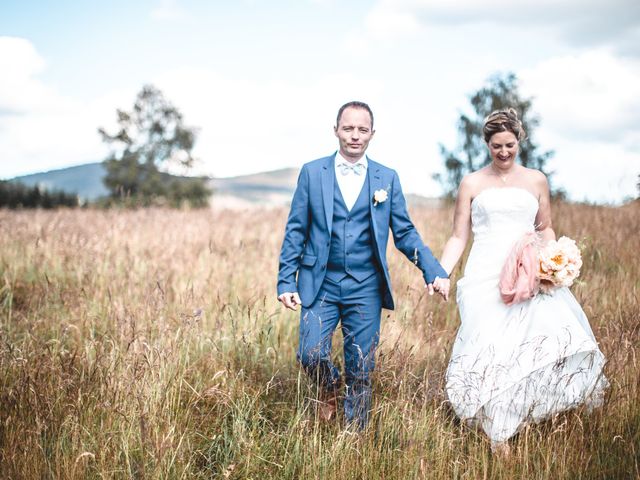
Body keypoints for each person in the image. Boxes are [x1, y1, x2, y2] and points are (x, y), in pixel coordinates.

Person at [433, 108, 608, 453]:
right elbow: (458, 237)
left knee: (531, 346)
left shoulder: (536, 180)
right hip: (486, 276)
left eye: (509, 145)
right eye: (496, 146)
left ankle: (521, 416)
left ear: (519, 140)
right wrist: (442, 274)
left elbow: (546, 228)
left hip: (530, 274)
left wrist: (555, 263)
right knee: (491, 348)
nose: (503, 152)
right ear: (486, 144)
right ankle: (498, 428)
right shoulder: (471, 182)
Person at [277, 101, 447, 429]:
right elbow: (296, 229)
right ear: (336, 130)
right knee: (309, 353)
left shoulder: (387, 177)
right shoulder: (313, 173)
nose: (355, 136)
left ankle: (356, 439)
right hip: (319, 281)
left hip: (365, 284)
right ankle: (328, 385)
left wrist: (433, 270)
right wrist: (286, 280)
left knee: (362, 364)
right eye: (348, 128)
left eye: (362, 129)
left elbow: (404, 232)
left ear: (372, 133)